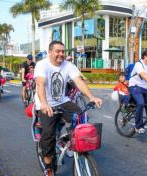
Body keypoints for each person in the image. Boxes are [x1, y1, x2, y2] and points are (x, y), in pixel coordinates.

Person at [34, 41, 102, 176]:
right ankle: (48, 166)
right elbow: (40, 84)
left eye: (63, 51)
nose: (61, 54)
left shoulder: (68, 65)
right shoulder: (42, 65)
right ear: (50, 52)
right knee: (48, 135)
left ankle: (69, 141)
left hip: (63, 101)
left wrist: (91, 97)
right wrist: (44, 103)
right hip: (46, 103)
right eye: (58, 51)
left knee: (82, 118)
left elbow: (78, 82)